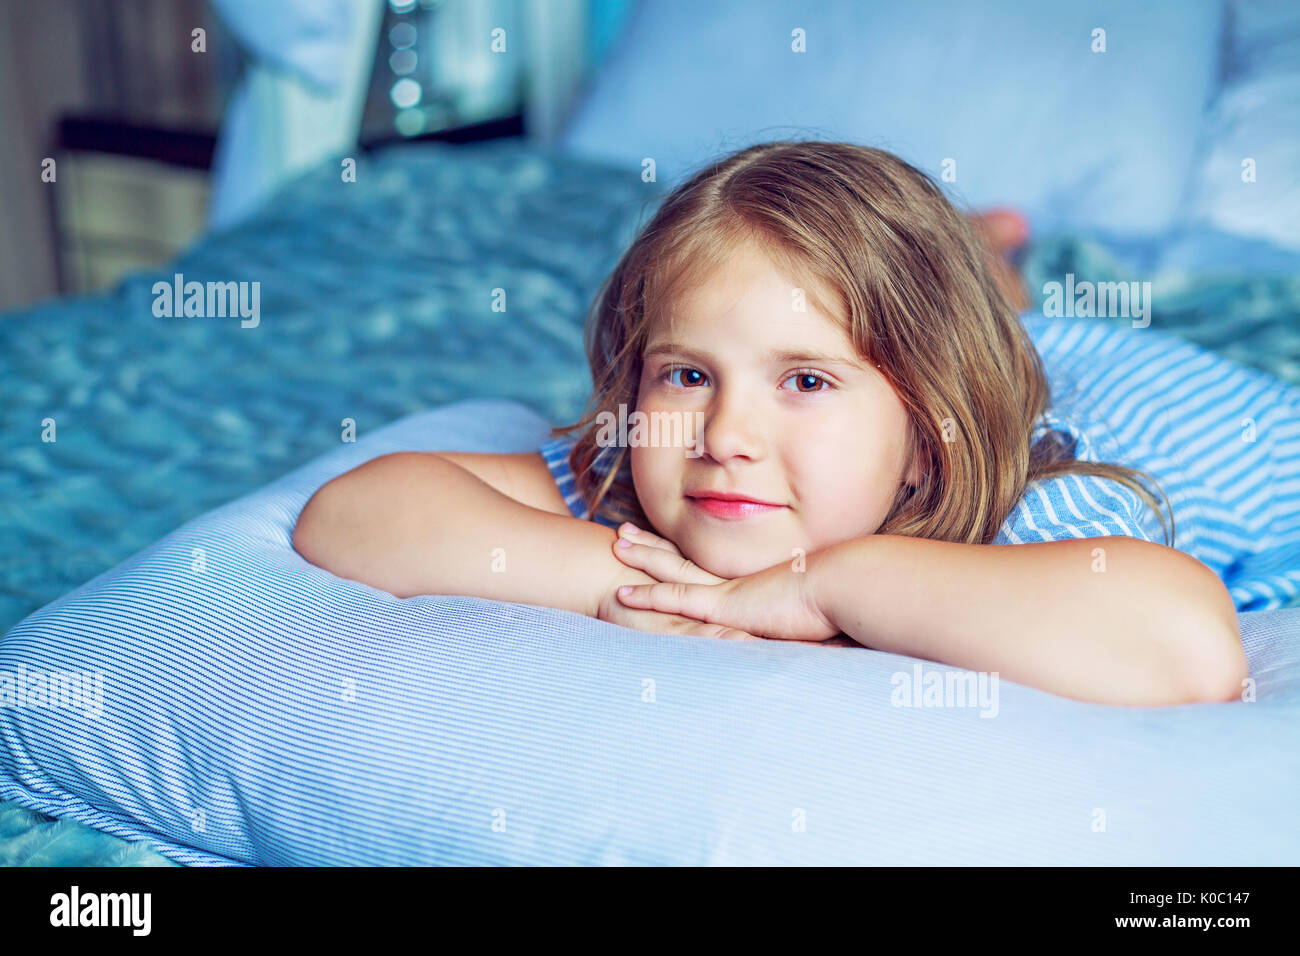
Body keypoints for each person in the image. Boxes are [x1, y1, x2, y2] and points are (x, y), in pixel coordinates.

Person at [293, 140, 1264, 707]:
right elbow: (356, 510)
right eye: (686, 372)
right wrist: (642, 587)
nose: (724, 434)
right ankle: (983, 262)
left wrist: (824, 583)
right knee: (984, 321)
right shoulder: (645, 468)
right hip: (967, 361)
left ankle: (991, 256)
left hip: (1184, 398)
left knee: (1030, 331)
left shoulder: (1034, 509)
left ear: (927, 445)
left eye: (802, 380)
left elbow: (1185, 648)